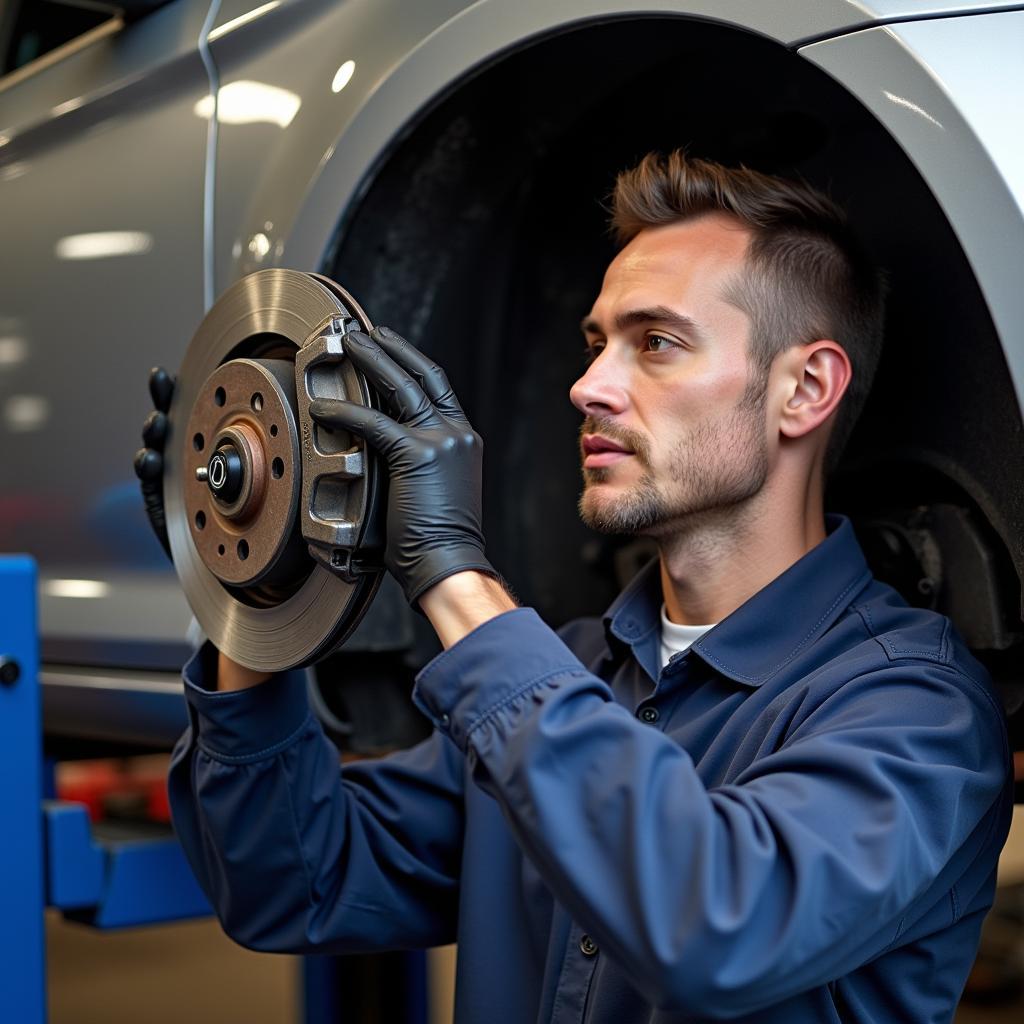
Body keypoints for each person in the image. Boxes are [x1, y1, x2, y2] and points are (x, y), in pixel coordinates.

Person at [137, 152, 1012, 1023]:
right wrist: (251, 582)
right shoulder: (571, 668)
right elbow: (293, 881)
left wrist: (456, 574)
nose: (588, 386)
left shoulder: (918, 713)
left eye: (656, 343)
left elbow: (712, 928)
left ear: (805, 389)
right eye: (596, 343)